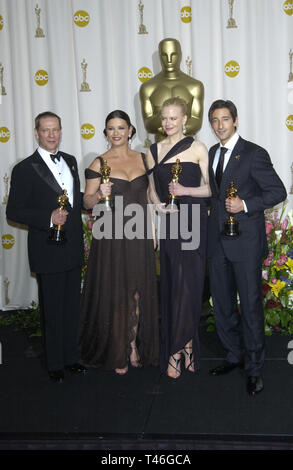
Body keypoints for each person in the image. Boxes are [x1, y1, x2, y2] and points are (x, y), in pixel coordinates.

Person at [207, 99, 287, 395]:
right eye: (214, 120)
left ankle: (254, 369)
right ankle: (233, 356)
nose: (219, 125)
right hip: (217, 243)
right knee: (223, 305)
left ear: (236, 120)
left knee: (250, 308)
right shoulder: (213, 153)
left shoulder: (253, 153)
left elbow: (277, 190)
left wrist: (245, 205)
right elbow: (214, 198)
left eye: (224, 119)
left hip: (246, 244)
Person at [6, 111, 86, 383]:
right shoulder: (24, 168)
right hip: (47, 248)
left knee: (71, 307)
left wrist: (96, 199)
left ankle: (71, 358)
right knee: (52, 309)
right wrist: (47, 218)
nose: (51, 135)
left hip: (72, 246)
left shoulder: (72, 162)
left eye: (56, 130)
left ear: (61, 131)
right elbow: (14, 211)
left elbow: (75, 200)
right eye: (46, 130)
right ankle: (54, 364)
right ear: (37, 132)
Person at [78, 110, 159, 375]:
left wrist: (154, 229)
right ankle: (118, 349)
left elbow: (149, 196)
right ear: (106, 132)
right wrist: (98, 195)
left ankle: (134, 346)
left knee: (137, 291)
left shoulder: (144, 159)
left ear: (131, 130)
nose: (116, 133)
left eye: (121, 128)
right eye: (111, 128)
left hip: (140, 234)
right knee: (117, 292)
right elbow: (87, 202)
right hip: (111, 235)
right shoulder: (98, 163)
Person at [146, 96, 211, 379]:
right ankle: (183, 348)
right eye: (164, 118)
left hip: (195, 220)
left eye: (173, 117)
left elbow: (210, 190)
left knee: (192, 285)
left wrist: (185, 191)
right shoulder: (152, 150)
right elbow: (151, 189)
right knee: (174, 284)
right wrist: (158, 205)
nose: (168, 123)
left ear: (185, 119)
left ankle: (180, 347)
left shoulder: (198, 148)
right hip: (171, 223)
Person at [139, 38, 204, 142]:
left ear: (180, 55)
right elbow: (148, 124)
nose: (169, 60)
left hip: (187, 148)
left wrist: (168, 127)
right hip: (160, 150)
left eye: (173, 54)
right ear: (159, 56)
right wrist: (175, 127)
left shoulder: (195, 86)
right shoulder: (148, 87)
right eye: (164, 55)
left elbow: (197, 121)